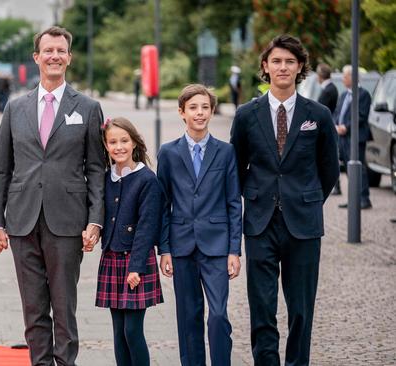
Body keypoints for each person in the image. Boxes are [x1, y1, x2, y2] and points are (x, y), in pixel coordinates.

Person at [0, 26, 105, 366]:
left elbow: (96, 169)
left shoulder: (88, 107)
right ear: (36, 57)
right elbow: (1, 169)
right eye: (48, 50)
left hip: (67, 221)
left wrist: (95, 219)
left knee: (64, 305)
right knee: (34, 308)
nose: (55, 56)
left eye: (61, 51)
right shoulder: (15, 108)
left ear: (69, 57)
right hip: (22, 221)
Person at [230, 34, 339, 366]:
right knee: (262, 307)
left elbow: (330, 169)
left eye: (290, 61)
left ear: (300, 67)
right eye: (276, 61)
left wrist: (305, 199)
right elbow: (236, 167)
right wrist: (259, 194)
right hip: (260, 223)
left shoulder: (317, 115)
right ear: (265, 66)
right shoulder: (247, 114)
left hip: (303, 225)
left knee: (301, 308)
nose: (282, 67)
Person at [158, 84, 242, 366]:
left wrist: (235, 250)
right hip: (182, 246)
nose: (200, 113)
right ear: (182, 112)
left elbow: (233, 203)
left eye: (205, 107)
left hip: (217, 245)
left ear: (212, 111)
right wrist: (165, 249)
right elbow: (163, 206)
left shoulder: (226, 152)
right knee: (189, 316)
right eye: (193, 108)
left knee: (218, 314)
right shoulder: (168, 153)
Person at [96, 117, 164, 366]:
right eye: (112, 142)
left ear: (134, 142)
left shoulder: (147, 180)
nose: (119, 147)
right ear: (105, 145)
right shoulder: (106, 177)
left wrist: (136, 266)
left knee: (132, 331)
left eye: (124, 141)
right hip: (112, 257)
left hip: (137, 262)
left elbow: (147, 227)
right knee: (118, 332)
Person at [333, 65, 373, 209]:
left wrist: (346, 127)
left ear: (353, 77)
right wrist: (336, 125)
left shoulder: (363, 94)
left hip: (356, 137)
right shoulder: (343, 95)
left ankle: (364, 199)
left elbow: (361, 115)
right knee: (349, 170)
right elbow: (337, 113)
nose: (343, 79)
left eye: (345, 76)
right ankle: (353, 200)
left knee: (358, 168)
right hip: (342, 137)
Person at [316, 63, 340, 195]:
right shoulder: (330, 88)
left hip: (326, 128)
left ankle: (335, 186)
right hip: (330, 126)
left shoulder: (328, 90)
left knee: (329, 156)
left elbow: (322, 110)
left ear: (320, 75)